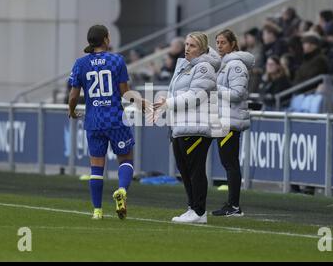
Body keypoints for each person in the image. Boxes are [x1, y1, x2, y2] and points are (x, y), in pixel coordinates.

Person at [68, 24, 149, 220]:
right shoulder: (117, 60)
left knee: (96, 167)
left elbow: (73, 95)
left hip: (94, 120)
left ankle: (97, 211)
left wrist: (71, 111)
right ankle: (121, 190)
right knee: (126, 159)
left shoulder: (80, 63)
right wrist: (141, 102)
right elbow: (125, 93)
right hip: (115, 118)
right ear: (106, 39)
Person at [153, 32, 220, 224]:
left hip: (197, 125)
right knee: (184, 169)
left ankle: (199, 211)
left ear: (202, 49)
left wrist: (169, 103)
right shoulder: (185, 66)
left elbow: (195, 95)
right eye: (187, 44)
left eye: (192, 46)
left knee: (195, 169)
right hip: (182, 125)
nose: (187, 48)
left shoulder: (204, 68)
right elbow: (178, 91)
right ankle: (192, 208)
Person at [211, 29, 254, 217]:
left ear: (232, 44)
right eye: (218, 42)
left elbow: (237, 94)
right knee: (227, 162)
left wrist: (215, 87)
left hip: (231, 119)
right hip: (224, 119)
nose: (219, 46)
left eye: (223, 43)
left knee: (230, 163)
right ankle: (232, 203)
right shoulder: (223, 65)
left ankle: (234, 205)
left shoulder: (236, 65)